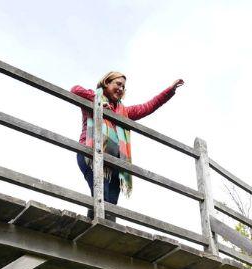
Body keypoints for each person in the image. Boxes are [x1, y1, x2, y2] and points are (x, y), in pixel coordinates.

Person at [71, 72, 184, 218]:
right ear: (107, 82)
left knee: (111, 204)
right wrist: (97, 101)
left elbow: (148, 106)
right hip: (90, 155)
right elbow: (75, 89)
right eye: (118, 84)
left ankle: (103, 233)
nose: (121, 88)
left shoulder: (124, 112)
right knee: (101, 196)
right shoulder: (93, 97)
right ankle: (94, 228)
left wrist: (170, 90)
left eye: (123, 86)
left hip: (114, 163)